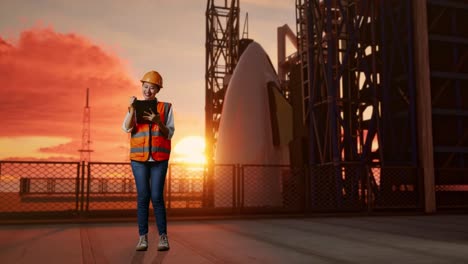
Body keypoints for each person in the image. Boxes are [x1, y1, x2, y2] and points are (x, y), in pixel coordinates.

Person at [122, 70, 175, 251]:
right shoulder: (135, 107)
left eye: (152, 88)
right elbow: (126, 128)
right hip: (139, 159)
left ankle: (163, 237)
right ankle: (143, 238)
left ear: (157, 90)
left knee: (157, 198)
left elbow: (170, 133)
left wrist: (159, 122)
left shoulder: (166, 108)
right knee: (143, 197)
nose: (148, 91)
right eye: (145, 87)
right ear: (142, 87)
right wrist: (131, 109)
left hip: (159, 159)